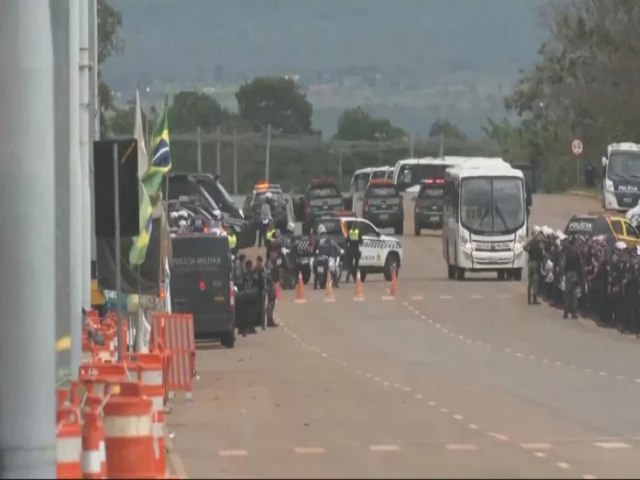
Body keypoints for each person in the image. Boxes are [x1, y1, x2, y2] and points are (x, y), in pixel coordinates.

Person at [560, 234, 585, 319]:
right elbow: (581, 265)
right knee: (574, 294)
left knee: (567, 293)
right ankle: (573, 313)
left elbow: (563, 263)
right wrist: (582, 277)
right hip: (575, 275)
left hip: (568, 274)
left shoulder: (568, 251)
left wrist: (562, 273)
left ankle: (566, 313)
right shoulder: (578, 252)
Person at [313, 224, 342, 289]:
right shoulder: (329, 239)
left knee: (316, 269)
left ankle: (315, 284)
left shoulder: (318, 240)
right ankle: (335, 283)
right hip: (328, 258)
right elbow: (335, 247)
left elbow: (314, 250)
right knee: (333, 269)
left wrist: (314, 255)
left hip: (320, 258)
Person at [524, 226, 545, 305]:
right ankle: (534, 299)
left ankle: (529, 299)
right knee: (535, 282)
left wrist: (529, 251)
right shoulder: (540, 243)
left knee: (530, 282)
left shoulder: (531, 242)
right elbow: (543, 253)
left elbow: (524, 247)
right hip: (536, 263)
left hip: (530, 263)